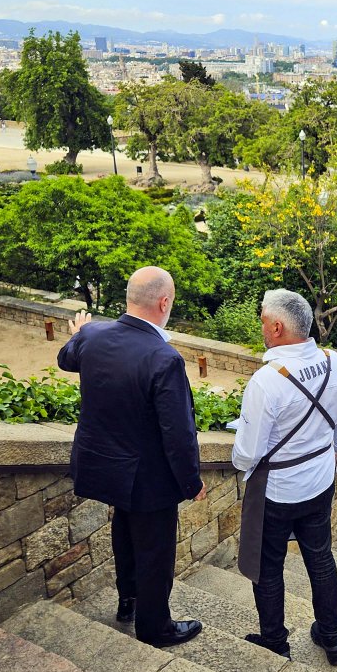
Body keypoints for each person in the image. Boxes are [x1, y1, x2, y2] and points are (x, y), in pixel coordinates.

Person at [57, 265, 206, 648]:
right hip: (147, 476)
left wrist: (78, 334)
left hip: (104, 465)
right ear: (164, 302)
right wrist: (192, 482)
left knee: (124, 530)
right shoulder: (164, 357)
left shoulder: (92, 335)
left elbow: (66, 359)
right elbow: (178, 433)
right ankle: (155, 627)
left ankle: (129, 600)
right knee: (155, 550)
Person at [232, 289, 337, 664]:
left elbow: (248, 452)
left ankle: (274, 639)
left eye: (263, 322)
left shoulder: (266, 380)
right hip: (319, 480)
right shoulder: (335, 362)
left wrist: (239, 457)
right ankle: (332, 638)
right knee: (320, 557)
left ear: (277, 326)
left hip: (277, 489)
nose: (262, 328)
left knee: (267, 565)